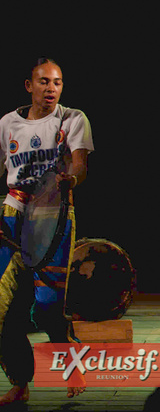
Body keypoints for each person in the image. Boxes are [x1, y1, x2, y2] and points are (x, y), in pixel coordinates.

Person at [0, 58, 92, 405]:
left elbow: (80, 164)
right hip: (12, 215)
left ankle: (71, 362)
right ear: (29, 85)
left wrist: (72, 177)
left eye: (57, 82)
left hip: (52, 215)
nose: (51, 88)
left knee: (46, 307)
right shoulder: (8, 123)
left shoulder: (72, 119)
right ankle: (20, 381)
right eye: (43, 82)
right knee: (4, 309)